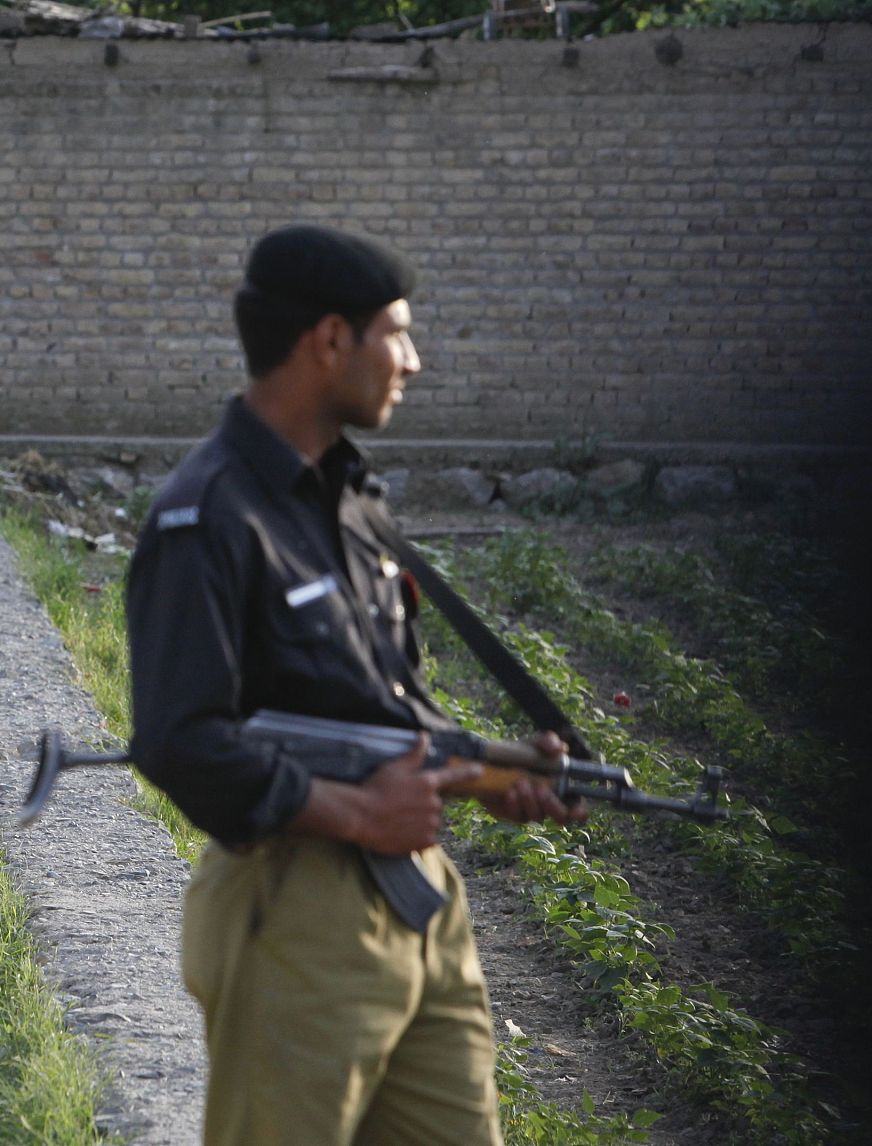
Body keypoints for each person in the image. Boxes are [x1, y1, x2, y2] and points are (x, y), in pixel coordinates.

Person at [125, 225, 584, 1146]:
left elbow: (372, 708)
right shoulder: (209, 513)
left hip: (420, 902)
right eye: (398, 334)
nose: (411, 361)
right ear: (330, 340)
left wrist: (493, 771)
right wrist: (356, 814)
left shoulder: (352, 501)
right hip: (295, 908)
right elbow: (180, 738)